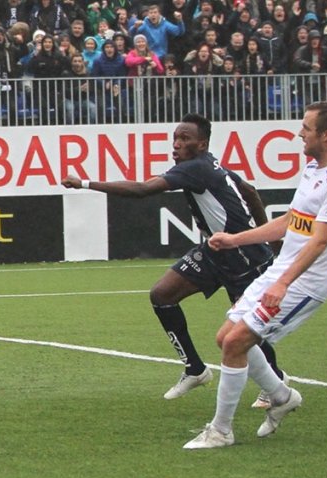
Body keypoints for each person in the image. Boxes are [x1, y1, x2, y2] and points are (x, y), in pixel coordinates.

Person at [61, 114, 285, 404]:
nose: (176, 144)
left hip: (245, 258)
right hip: (215, 250)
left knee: (246, 327)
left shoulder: (196, 168)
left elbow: (142, 190)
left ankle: (276, 381)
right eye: (175, 138)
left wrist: (84, 183)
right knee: (162, 295)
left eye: (185, 139)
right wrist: (270, 234)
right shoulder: (210, 164)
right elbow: (250, 193)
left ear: (201, 145)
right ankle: (195, 368)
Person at [184, 101, 327, 449]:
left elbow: (319, 242)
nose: (300, 133)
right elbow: (289, 223)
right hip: (282, 271)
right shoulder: (313, 169)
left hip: (304, 283)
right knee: (226, 337)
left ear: (326, 135)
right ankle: (281, 397)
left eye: (307, 128)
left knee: (237, 342)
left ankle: (221, 430)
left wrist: (283, 284)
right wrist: (235, 239)